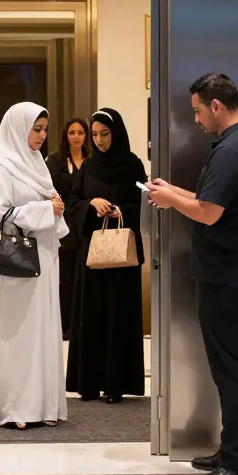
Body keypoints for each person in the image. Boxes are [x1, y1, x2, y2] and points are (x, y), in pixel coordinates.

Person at [146, 73, 238, 475]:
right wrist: (174, 190)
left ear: (216, 106)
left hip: (226, 274)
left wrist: (169, 202)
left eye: (199, 111)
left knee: (230, 369)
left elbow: (208, 212)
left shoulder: (232, 151)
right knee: (236, 365)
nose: (197, 120)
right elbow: (213, 201)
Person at [0, 102, 68, 430]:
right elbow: (0, 214)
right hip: (15, 264)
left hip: (42, 257)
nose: (42, 136)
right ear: (19, 128)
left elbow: (48, 202)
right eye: (37, 129)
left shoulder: (35, 162)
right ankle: (14, 406)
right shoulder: (1, 167)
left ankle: (41, 403)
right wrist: (46, 209)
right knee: (16, 332)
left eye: (45, 129)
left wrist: (51, 208)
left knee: (40, 330)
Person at [64, 108, 147, 404]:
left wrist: (120, 210)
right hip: (93, 253)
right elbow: (72, 200)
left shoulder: (133, 165)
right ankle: (88, 382)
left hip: (121, 253)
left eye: (105, 134)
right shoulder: (88, 166)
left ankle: (115, 383)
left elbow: (145, 201)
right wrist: (90, 204)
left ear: (117, 133)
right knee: (92, 314)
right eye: (95, 134)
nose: (99, 140)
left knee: (118, 314)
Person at [45, 117, 91, 340]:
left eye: (80, 132)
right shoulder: (55, 161)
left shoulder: (92, 160)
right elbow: (48, 189)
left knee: (87, 276)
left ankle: (85, 324)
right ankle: (65, 325)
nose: (76, 137)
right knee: (67, 278)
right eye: (72, 132)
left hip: (88, 225)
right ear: (66, 135)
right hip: (65, 226)